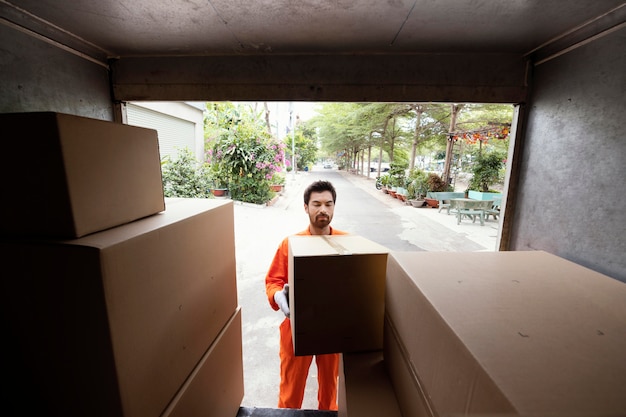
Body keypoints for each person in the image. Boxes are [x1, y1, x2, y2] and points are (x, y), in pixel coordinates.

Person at [265, 180, 347, 410]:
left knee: (330, 390)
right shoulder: (290, 244)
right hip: (296, 327)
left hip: (332, 329)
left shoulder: (346, 242)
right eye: (317, 204)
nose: (323, 209)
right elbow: (273, 281)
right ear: (305, 207)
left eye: (328, 204)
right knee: (290, 390)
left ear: (333, 207)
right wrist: (278, 297)